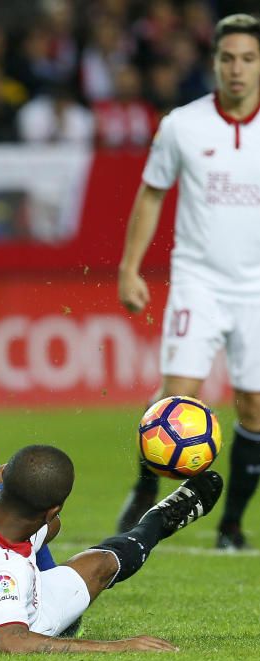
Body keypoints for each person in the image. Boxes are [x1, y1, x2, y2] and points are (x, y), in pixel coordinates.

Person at [117, 14, 260, 550]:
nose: (237, 69)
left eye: (248, 58)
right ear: (214, 63)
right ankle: (144, 486)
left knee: (254, 407)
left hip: (257, 289)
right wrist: (130, 267)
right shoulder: (183, 124)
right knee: (178, 396)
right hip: (198, 281)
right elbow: (152, 193)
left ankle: (231, 525)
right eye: (227, 58)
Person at [0, 444, 223, 653]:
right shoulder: (3, 575)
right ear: (52, 508)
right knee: (102, 565)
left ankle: (157, 518)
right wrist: (118, 646)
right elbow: (12, 642)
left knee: (52, 530)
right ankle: (156, 524)